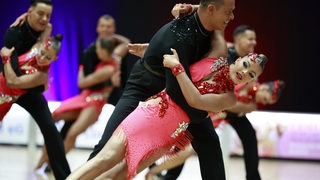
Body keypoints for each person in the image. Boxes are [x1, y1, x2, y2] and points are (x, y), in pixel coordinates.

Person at [66, 27, 267, 179]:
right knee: (106, 157)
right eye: (246, 65)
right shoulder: (217, 53)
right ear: (241, 59)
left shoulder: (229, 97)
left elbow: (195, 100)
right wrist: (189, 7)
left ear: (250, 80)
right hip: (154, 112)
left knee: (122, 174)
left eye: (251, 74)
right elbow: (213, 20)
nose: (244, 72)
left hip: (170, 134)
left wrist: (177, 67)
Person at [86, 1, 236, 180]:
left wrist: (191, 7)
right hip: (146, 83)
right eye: (228, 12)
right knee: (106, 146)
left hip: (178, 84)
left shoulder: (212, 26)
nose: (232, 17)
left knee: (209, 142)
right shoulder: (180, 35)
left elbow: (205, 9)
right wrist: (201, 112)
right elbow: (176, 92)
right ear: (211, 9)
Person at [145, 79, 285, 180]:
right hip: (203, 111)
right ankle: (153, 170)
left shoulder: (251, 104)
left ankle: (155, 172)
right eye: (265, 99)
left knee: (185, 150)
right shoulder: (248, 80)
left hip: (212, 119)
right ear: (264, 88)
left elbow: (230, 105)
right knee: (176, 144)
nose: (263, 103)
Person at [34, 36, 126, 170]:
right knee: (52, 117)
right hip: (85, 97)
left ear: (105, 51)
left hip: (95, 102)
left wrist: (82, 66)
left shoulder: (108, 69)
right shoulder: (115, 57)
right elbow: (125, 43)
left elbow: (82, 82)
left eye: (98, 49)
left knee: (72, 133)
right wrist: (112, 36)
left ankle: (52, 161)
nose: (96, 51)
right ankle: (45, 157)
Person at [1, 0, 70, 179]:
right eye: (40, 13)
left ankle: (65, 177)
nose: (45, 19)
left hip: (28, 89)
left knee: (50, 129)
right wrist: (38, 80)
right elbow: (12, 80)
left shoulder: (44, 30)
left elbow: (48, 26)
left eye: (48, 15)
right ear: (30, 11)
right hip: (7, 88)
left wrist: (38, 81)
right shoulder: (14, 33)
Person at [1, 33, 62, 121]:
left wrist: (6, 58)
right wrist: (23, 18)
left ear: (55, 59)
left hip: (3, 99)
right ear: (40, 45)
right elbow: (47, 26)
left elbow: (12, 82)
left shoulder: (42, 75)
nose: (42, 58)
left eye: (48, 58)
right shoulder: (35, 48)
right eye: (42, 52)